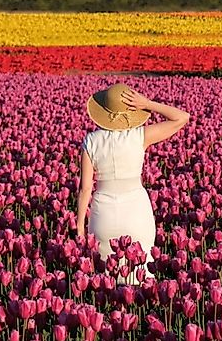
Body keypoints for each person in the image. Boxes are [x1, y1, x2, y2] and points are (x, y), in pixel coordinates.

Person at [75, 82, 190, 285]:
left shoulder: (91, 141)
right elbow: (182, 117)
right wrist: (148, 103)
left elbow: (85, 189)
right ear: (132, 111)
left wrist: (80, 228)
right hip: (137, 212)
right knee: (140, 276)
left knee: (106, 280)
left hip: (103, 214)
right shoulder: (139, 136)